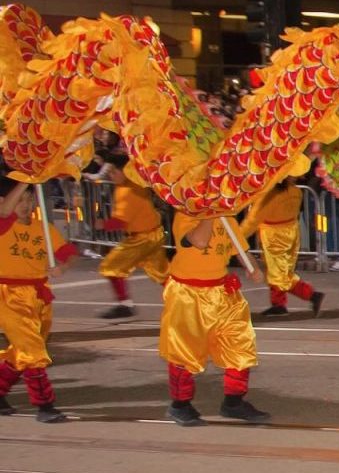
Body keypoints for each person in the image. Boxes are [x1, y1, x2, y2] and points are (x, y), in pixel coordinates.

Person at [160, 213, 270, 426]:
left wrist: (253, 267)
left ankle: (234, 402)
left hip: (222, 291)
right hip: (188, 294)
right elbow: (200, 241)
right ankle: (180, 405)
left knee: (239, 344)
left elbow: (241, 248)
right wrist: (211, 214)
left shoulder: (228, 218)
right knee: (185, 350)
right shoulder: (185, 215)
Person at [0, 180, 76, 423]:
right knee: (33, 350)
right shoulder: (3, 224)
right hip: (8, 295)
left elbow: (67, 253)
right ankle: (45, 405)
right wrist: (26, 178)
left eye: (30, 199)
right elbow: (4, 211)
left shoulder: (44, 228)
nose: (26, 204)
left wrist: (62, 267)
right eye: (20, 200)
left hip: (39, 295)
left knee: (24, 351)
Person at [95, 154, 171, 319]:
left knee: (110, 267)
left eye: (114, 171)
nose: (111, 175)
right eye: (110, 172)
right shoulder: (133, 184)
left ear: (125, 171)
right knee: (162, 274)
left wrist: (102, 225)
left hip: (141, 239)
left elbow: (120, 221)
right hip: (153, 234)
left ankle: (125, 305)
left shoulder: (128, 190)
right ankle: (181, 301)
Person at [241, 179, 324, 317]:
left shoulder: (270, 196)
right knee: (281, 270)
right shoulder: (295, 191)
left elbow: (253, 220)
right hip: (291, 231)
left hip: (274, 236)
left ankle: (311, 294)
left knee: (278, 274)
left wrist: (237, 237)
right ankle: (278, 304)